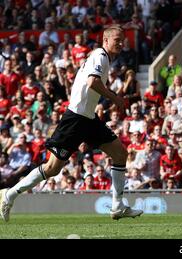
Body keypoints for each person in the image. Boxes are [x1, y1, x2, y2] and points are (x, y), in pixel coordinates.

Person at [0, 25, 143, 222]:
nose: (120, 43)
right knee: (52, 168)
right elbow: (92, 82)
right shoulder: (99, 55)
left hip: (89, 118)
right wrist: (114, 97)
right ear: (106, 41)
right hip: (75, 119)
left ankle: (118, 206)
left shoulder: (103, 58)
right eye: (117, 40)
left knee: (120, 154)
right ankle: (9, 195)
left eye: (122, 40)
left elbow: (91, 84)